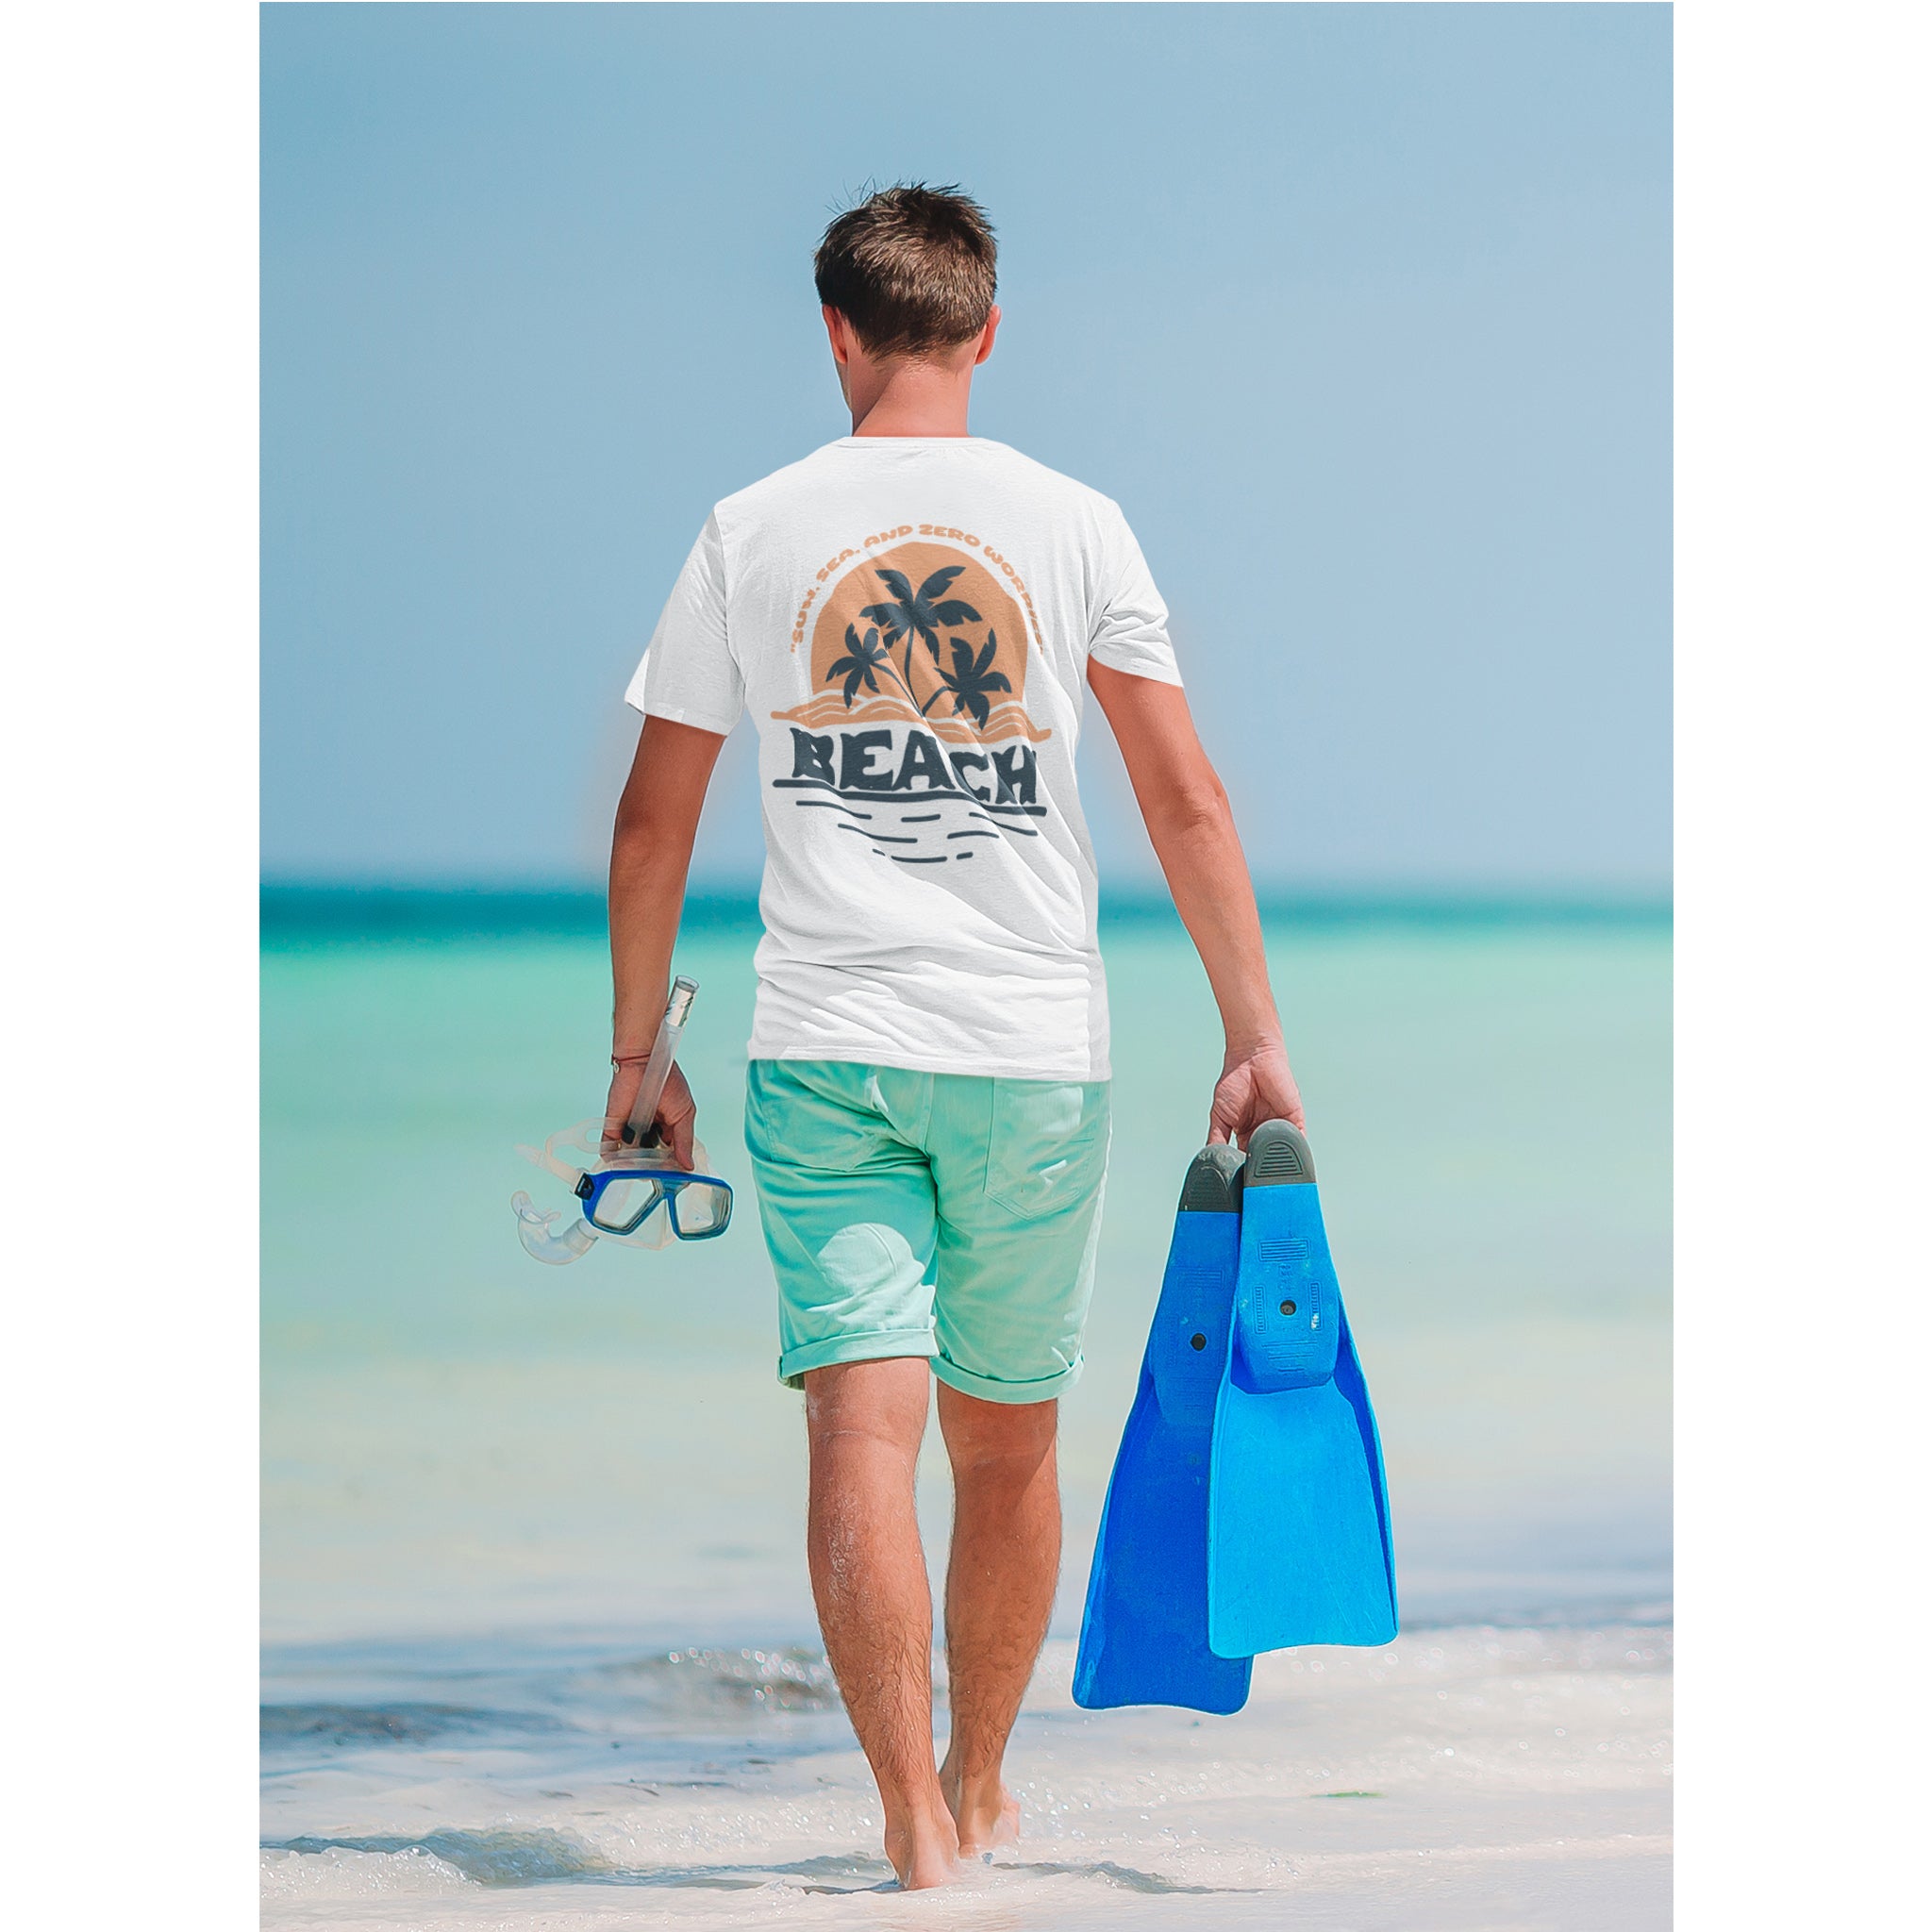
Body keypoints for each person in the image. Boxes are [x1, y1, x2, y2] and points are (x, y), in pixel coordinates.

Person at [603, 183, 1304, 1890]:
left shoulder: (749, 528)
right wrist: (1253, 1032)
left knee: (860, 1432)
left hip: (825, 1047)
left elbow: (651, 822)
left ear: (835, 331)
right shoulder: (1077, 525)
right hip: (1030, 1051)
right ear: (988, 329)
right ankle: (979, 1787)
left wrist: (638, 1059)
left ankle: (910, 1822)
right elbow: (1185, 796)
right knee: (1005, 1443)